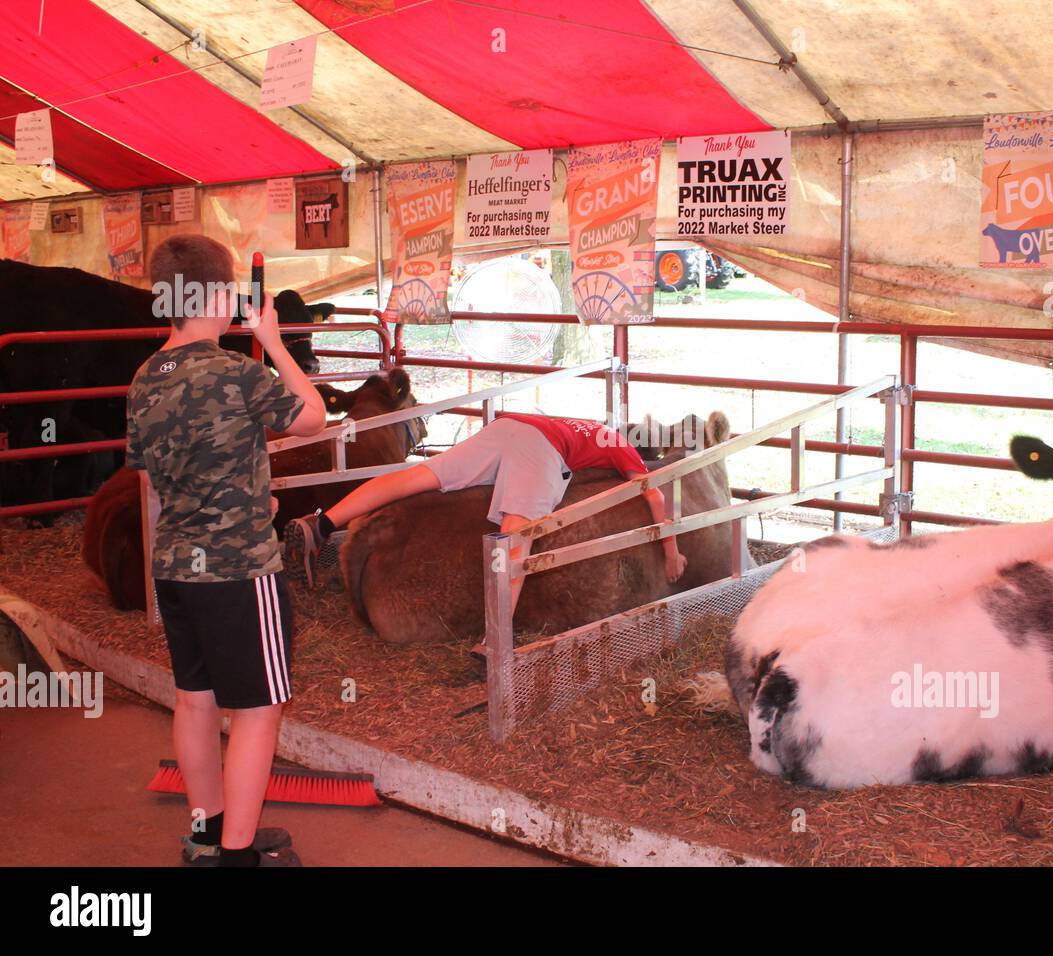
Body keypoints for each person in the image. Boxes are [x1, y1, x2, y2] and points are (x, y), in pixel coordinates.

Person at [126, 235, 326, 866]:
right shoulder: (235, 371)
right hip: (239, 572)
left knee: (194, 701)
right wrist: (271, 342)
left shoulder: (142, 379)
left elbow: (174, 474)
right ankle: (238, 855)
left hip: (175, 568)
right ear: (217, 294)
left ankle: (207, 835)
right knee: (259, 711)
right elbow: (313, 416)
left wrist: (252, 500)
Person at [283, 411, 687, 608]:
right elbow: (652, 495)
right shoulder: (623, 445)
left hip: (510, 426)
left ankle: (324, 523)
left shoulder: (589, 425)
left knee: (421, 475)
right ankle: (495, 641)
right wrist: (672, 553)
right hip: (541, 447)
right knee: (518, 531)